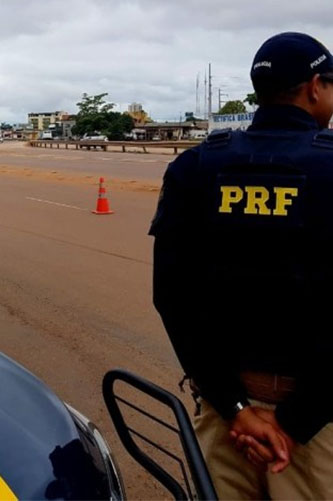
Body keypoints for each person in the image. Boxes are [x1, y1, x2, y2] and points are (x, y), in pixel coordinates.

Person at [150, 32, 333, 500]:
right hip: (316, 427)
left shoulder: (195, 167)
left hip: (226, 419)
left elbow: (171, 296)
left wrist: (235, 409)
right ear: (315, 86)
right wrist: (293, 424)